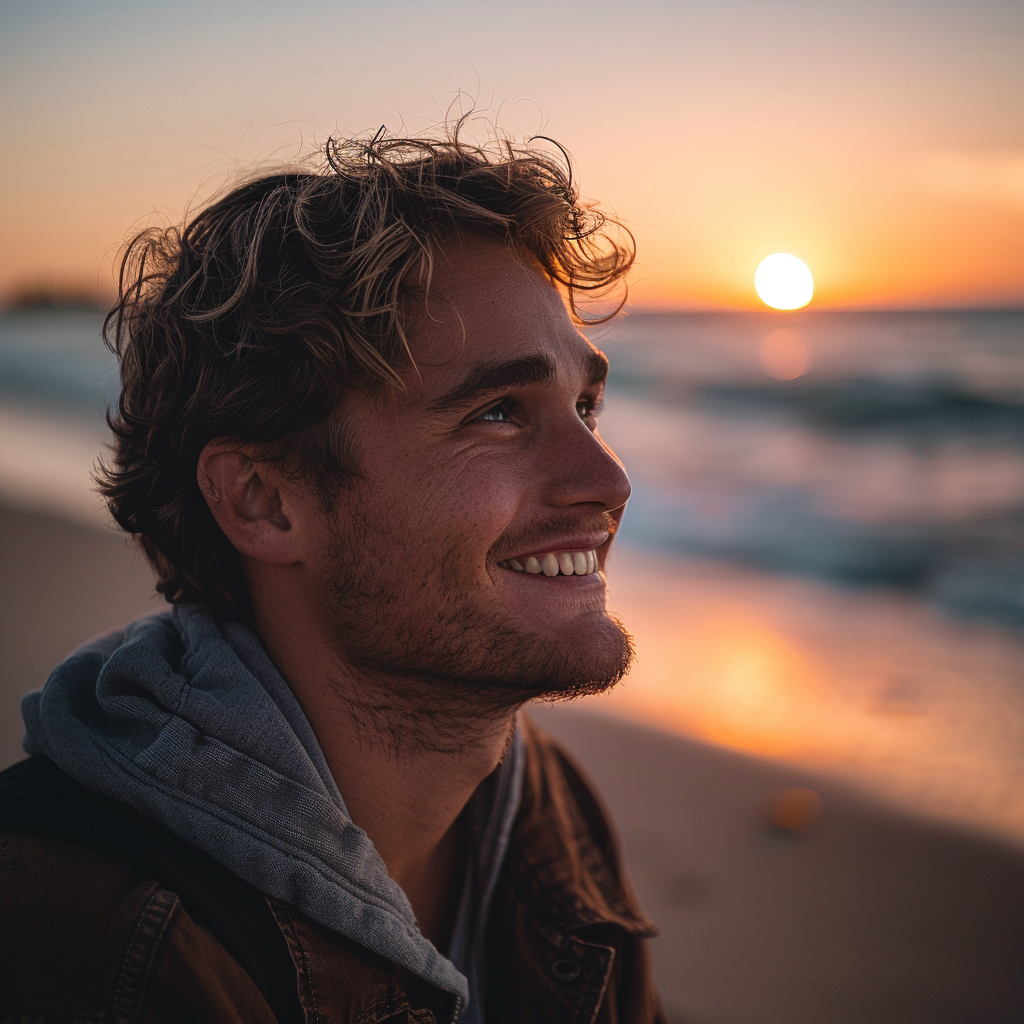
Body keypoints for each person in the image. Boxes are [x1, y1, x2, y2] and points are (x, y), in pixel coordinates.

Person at [0, 128, 665, 1023]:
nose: (609, 481)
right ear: (265, 501)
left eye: (585, 405)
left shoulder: (542, 809)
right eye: (500, 411)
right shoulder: (102, 942)